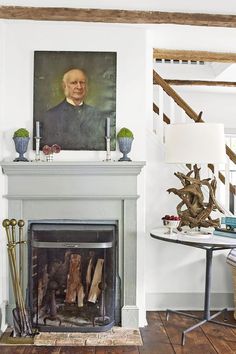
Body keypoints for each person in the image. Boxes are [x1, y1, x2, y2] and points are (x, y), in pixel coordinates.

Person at [41, 68, 106, 150]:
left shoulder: (97, 115)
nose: (79, 87)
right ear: (64, 86)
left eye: (82, 82)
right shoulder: (51, 116)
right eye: (74, 83)